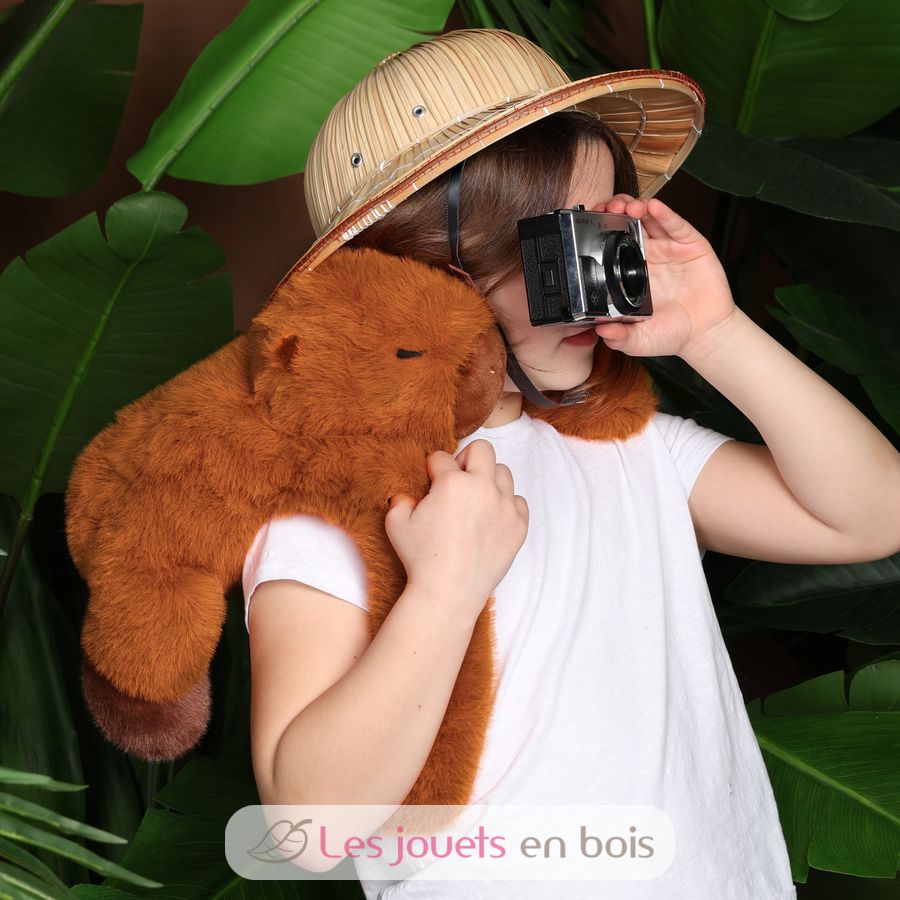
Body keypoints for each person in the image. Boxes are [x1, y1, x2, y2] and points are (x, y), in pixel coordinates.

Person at [241, 28, 900, 900]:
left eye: (611, 227)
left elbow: (874, 514)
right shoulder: (327, 500)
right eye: (566, 241)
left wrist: (715, 332)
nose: (604, 267)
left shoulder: (630, 448)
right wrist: (446, 589)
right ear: (431, 278)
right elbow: (309, 827)